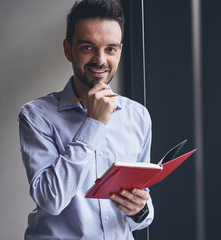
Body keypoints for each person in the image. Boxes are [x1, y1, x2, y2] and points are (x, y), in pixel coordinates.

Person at [18, 0, 154, 239]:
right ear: (68, 50)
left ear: (120, 51)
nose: (100, 60)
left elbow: (140, 207)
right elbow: (51, 200)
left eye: (110, 49)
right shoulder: (36, 115)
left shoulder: (138, 116)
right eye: (88, 47)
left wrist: (140, 211)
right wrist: (94, 123)